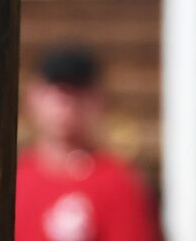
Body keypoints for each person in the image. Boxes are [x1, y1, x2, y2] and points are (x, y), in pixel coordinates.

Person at [16, 45, 163, 241]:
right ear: (32, 96)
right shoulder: (14, 179)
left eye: (78, 89)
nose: (66, 100)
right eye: (57, 88)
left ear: (99, 99)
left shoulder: (121, 184)